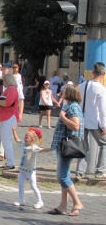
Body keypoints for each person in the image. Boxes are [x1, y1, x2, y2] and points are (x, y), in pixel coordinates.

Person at [48, 84, 84, 216]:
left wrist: (63, 117)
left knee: (62, 177)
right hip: (63, 145)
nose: (61, 92)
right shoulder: (69, 106)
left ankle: (77, 202)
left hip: (67, 145)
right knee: (65, 175)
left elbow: (75, 126)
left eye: (64, 91)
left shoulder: (73, 107)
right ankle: (63, 206)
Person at [76, 62, 106, 179]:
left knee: (83, 146)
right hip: (94, 121)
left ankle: (79, 172)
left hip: (81, 120)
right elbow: (102, 110)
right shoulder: (101, 89)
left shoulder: (82, 85)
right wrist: (104, 126)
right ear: (104, 74)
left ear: (93, 72)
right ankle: (100, 171)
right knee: (104, 144)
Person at [12, 127, 50, 208]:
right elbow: (17, 139)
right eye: (25, 136)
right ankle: (21, 200)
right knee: (20, 185)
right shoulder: (23, 144)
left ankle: (40, 201)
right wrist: (14, 131)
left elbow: (43, 150)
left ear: (32, 139)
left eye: (27, 137)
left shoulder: (34, 147)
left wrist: (53, 148)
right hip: (22, 170)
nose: (25, 138)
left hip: (30, 171)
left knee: (33, 186)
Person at [0, 73, 19, 170]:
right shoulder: (8, 89)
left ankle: (10, 163)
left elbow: (8, 103)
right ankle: (9, 162)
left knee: (6, 141)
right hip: (5, 116)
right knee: (5, 140)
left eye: (4, 80)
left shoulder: (12, 89)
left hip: (9, 116)